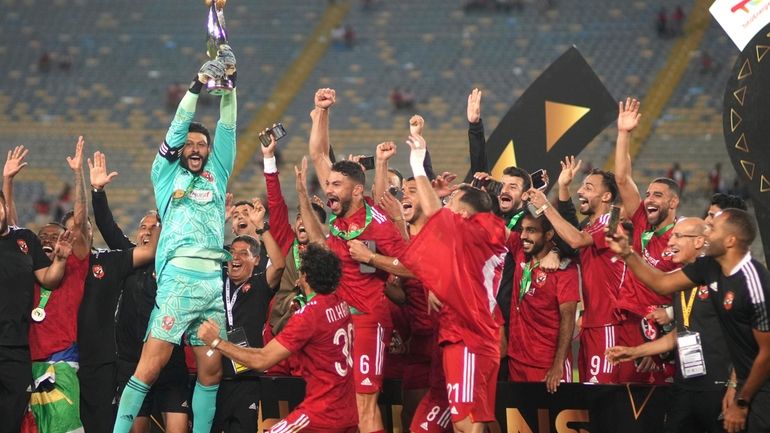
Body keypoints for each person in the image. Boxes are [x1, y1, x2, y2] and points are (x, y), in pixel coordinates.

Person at [112, 47, 237, 433]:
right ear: (180, 149)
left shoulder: (218, 170)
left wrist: (229, 85)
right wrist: (198, 86)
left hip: (211, 285)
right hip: (177, 282)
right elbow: (177, 127)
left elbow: (229, 125)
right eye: (190, 145)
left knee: (211, 371)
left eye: (203, 144)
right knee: (150, 366)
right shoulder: (165, 177)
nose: (197, 149)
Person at [605, 208, 770, 433]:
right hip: (694, 385)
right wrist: (627, 254)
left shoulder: (753, 282)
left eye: (712, 229)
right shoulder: (708, 267)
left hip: (755, 389)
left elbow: (765, 353)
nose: (707, 233)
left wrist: (741, 398)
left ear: (730, 240)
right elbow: (661, 282)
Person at [308, 88, 408, 433]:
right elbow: (319, 152)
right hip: (338, 321)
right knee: (346, 400)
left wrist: (372, 258)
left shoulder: (379, 225)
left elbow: (412, 267)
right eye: (328, 183)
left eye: (336, 184)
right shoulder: (338, 210)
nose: (328, 189)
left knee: (366, 402)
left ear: (355, 191)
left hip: (368, 321)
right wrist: (322, 111)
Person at [401, 130, 511, 433]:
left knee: (465, 421)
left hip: (465, 339)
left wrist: (417, 163)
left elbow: (436, 216)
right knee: (476, 419)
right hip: (481, 338)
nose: (446, 206)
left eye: (452, 203)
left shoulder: (470, 231)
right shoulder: (487, 234)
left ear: (463, 214)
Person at [197, 243, 358, 433]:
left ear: (304, 277)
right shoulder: (341, 304)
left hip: (321, 413)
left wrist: (217, 342)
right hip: (348, 410)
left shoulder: (309, 316)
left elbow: (262, 360)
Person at [89, 150, 190, 433]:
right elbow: (106, 225)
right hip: (132, 361)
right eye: (143, 227)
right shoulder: (127, 257)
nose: (147, 231)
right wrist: (98, 191)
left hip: (171, 360)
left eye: (154, 226)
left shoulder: (176, 263)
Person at [527, 160, 625, 383]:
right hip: (591, 323)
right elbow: (572, 232)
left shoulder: (612, 222)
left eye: (589, 187)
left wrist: (545, 206)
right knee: (588, 395)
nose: (580, 190)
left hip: (608, 323)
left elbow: (575, 239)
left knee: (602, 394)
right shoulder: (592, 225)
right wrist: (563, 188)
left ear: (607, 197)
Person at [613, 98, 680, 383]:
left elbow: (694, 286)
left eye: (657, 195)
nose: (649, 199)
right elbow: (621, 178)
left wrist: (670, 312)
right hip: (628, 319)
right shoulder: (641, 219)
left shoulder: (683, 239)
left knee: (658, 405)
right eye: (648, 194)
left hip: (659, 328)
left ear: (673, 202)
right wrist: (624, 134)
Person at [0, 184, 72, 432]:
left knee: (14, 413)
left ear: (5, 208)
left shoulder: (25, 240)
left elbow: (49, 279)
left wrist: (61, 260)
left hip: (17, 346)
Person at [213, 202, 285, 433]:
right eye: (232, 253)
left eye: (243, 253)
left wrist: (262, 228)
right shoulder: (215, 281)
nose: (235, 257)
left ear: (256, 260)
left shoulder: (260, 284)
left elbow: (280, 264)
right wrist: (220, 222)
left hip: (247, 379)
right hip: (214, 377)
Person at [508, 213, 579, 392]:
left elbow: (568, 319)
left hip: (546, 364)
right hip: (516, 360)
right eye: (522, 230)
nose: (523, 236)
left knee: (551, 419)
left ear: (548, 235)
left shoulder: (564, 271)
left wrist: (558, 365)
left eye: (531, 231)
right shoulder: (520, 251)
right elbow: (493, 223)